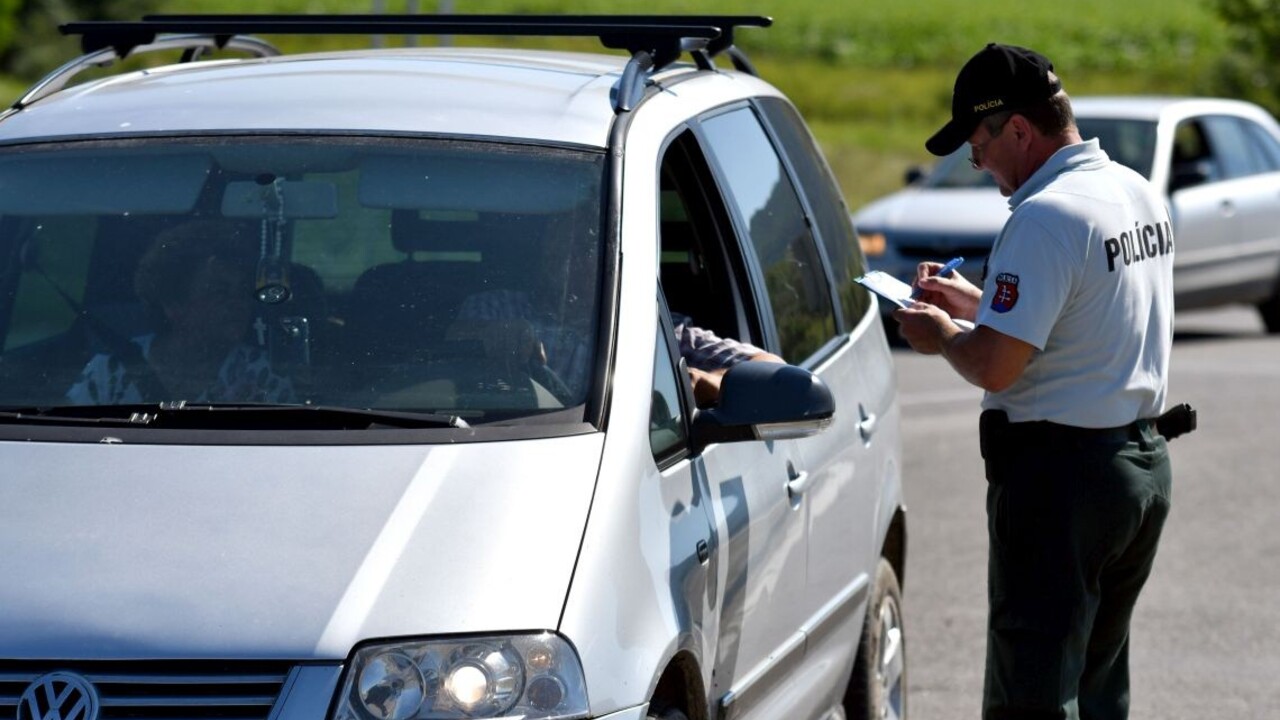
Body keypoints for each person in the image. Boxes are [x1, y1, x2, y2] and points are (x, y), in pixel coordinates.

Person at [895, 44, 1176, 719]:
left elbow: (994, 365)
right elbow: (1083, 313)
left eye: (978, 144)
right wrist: (977, 303)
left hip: (1062, 482)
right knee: (1098, 686)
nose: (977, 163)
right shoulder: (1133, 190)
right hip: (1138, 465)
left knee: (1036, 690)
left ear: (1018, 129)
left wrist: (940, 336)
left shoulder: (1044, 216)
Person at [67, 219, 295, 405]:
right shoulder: (109, 371)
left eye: (243, 291)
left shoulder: (265, 374)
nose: (239, 303)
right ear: (173, 304)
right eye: (220, 292)